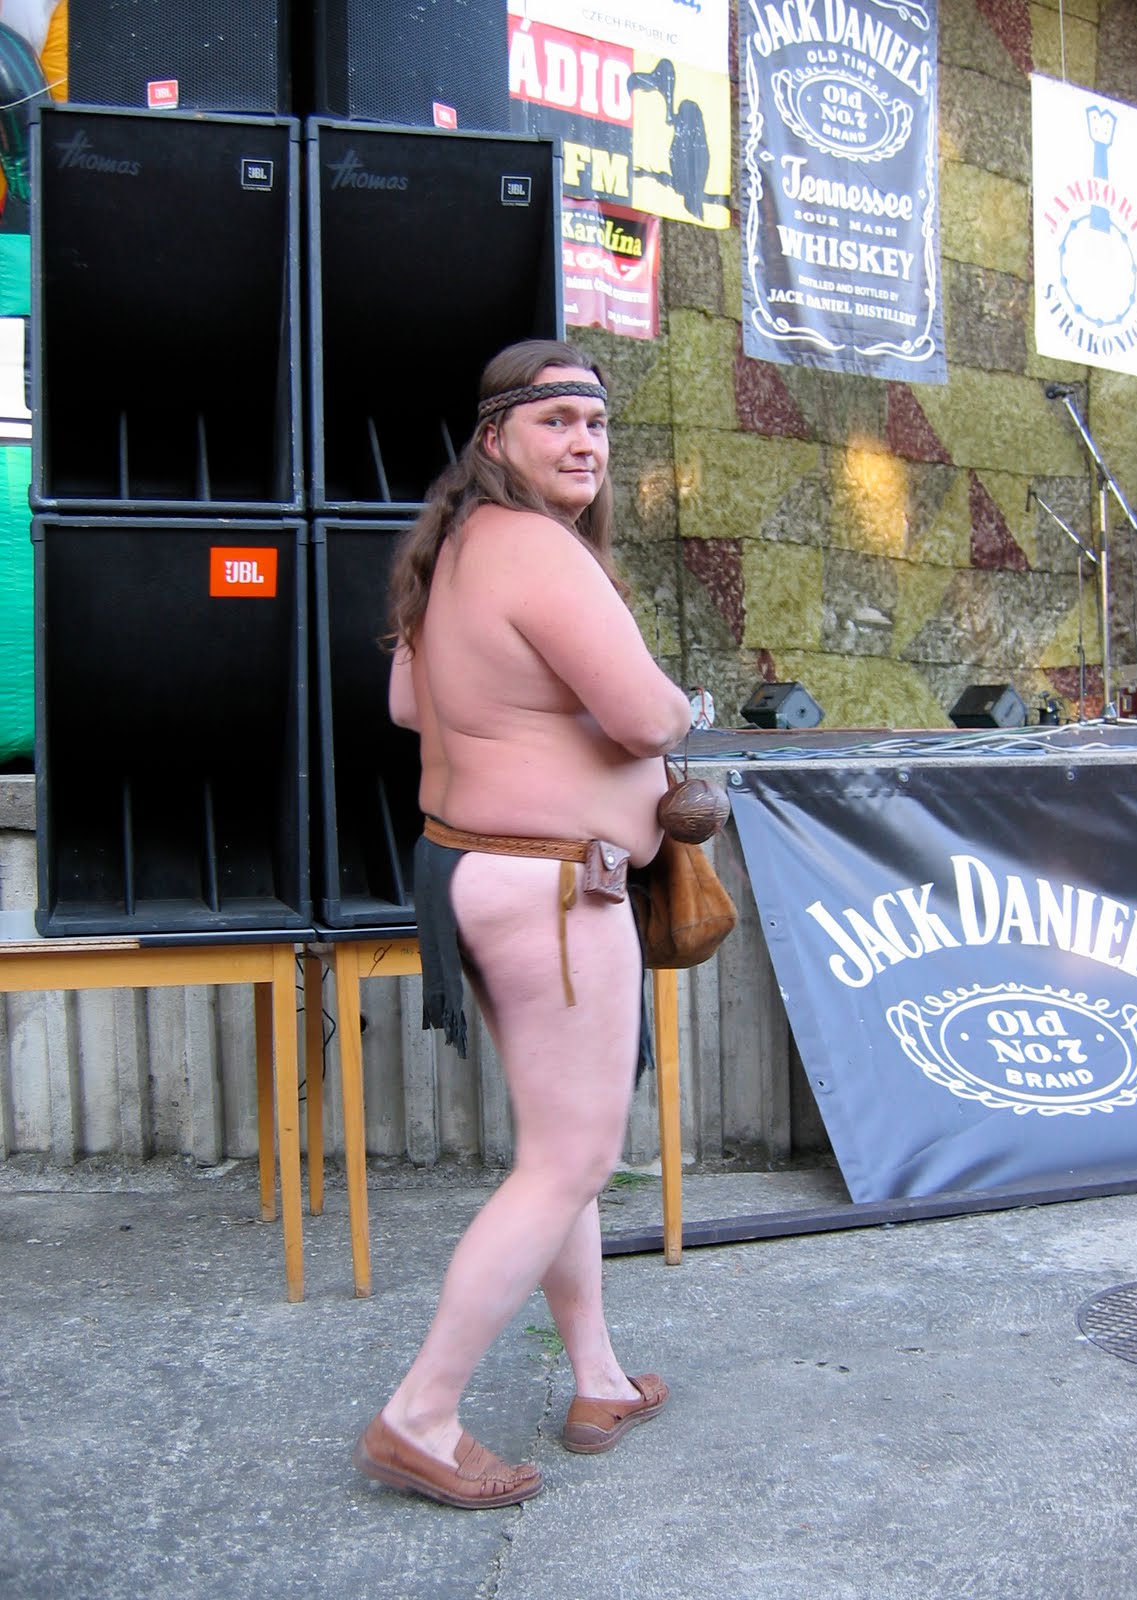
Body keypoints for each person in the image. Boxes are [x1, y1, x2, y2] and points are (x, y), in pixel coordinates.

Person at [352, 339, 693, 1509]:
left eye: (596, 425)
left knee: (560, 1146)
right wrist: (670, 708)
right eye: (556, 422)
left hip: (474, 871)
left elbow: (409, 700)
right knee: (573, 1159)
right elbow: (646, 714)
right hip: (550, 887)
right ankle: (421, 1414)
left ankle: (597, 1376)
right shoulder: (537, 546)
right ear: (496, 437)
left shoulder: (454, 546)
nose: (584, 443)